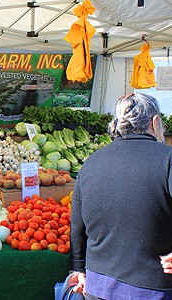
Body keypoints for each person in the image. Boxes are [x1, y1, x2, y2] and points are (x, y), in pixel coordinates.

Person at [69, 93, 172, 299]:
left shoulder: (92, 162)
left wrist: (77, 268)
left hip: (97, 285)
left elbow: (77, 227)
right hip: (153, 287)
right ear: (155, 123)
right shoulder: (167, 159)